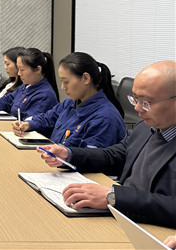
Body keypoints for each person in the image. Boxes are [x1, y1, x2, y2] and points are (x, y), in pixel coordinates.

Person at [38, 61, 176, 228]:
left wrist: (115, 196)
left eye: (146, 102)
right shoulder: (146, 128)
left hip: (154, 228)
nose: (138, 108)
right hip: (121, 217)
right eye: (135, 99)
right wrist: (69, 154)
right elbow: (113, 155)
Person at [12, 52, 127, 148]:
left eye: (66, 82)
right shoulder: (70, 102)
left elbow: (90, 159)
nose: (63, 87)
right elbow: (48, 118)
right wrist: (28, 124)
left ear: (85, 78)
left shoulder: (104, 118)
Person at [0, 47, 58, 118]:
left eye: (22, 70)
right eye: (18, 69)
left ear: (38, 69)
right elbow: (8, 100)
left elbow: (30, 122)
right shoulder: (26, 86)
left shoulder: (45, 95)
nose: (19, 73)